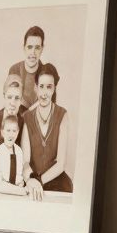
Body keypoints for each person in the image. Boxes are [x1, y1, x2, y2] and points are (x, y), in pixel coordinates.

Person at [22, 62, 76, 197]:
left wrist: (40, 181)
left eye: (49, 87)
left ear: (54, 89)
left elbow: (61, 164)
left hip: (55, 180)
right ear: (35, 88)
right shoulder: (27, 117)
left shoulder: (62, 115)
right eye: (41, 86)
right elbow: (25, 161)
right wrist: (31, 180)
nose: (44, 93)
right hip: (32, 179)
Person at [7, 26, 46, 111]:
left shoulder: (47, 72)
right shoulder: (14, 70)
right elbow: (10, 102)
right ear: (24, 48)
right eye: (29, 47)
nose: (33, 52)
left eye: (37, 48)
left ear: (42, 49)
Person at [0, 114, 30, 195]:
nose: (11, 135)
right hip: (3, 192)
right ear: (2, 132)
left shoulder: (19, 151)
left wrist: (21, 182)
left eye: (14, 131)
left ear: (17, 132)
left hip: (18, 192)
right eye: (8, 130)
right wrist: (19, 190)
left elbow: (20, 175)